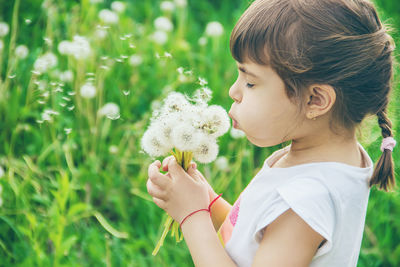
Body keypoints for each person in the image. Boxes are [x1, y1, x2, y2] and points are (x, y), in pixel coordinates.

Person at [146, 0, 397, 266]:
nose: (234, 91)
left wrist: (192, 215)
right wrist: (205, 200)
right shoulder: (314, 160)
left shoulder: (304, 204)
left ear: (315, 100)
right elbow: (253, 236)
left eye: (251, 82)